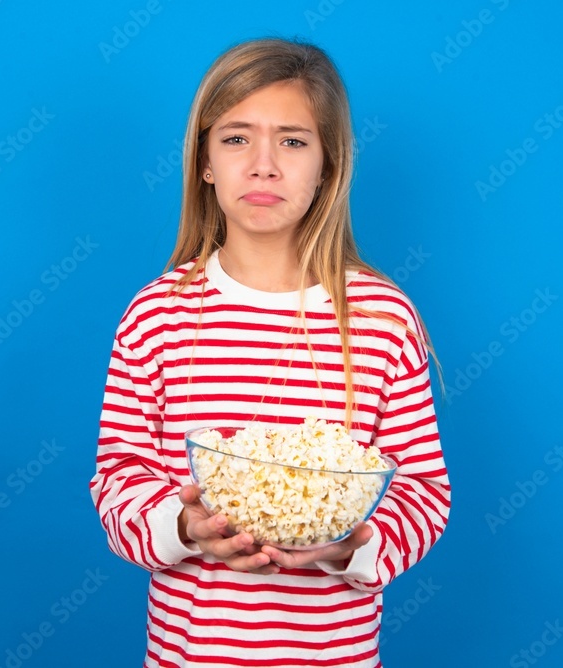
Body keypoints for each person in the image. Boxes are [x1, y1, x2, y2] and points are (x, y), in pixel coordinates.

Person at [90, 37, 451, 668]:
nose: (263, 165)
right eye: (235, 139)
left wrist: (351, 546)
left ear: (327, 165)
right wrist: (181, 526)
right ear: (204, 160)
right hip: (191, 652)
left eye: (292, 140)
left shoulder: (379, 319)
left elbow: (423, 490)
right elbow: (118, 475)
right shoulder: (159, 315)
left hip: (333, 654)